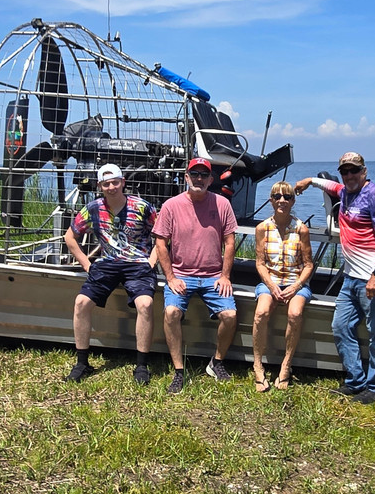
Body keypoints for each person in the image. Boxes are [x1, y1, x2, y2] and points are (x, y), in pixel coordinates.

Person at [294, 152, 375, 404]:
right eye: (345, 171)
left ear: (364, 171)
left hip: (371, 278)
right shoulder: (346, 192)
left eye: (354, 170)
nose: (349, 175)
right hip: (350, 278)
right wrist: (309, 181)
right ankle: (355, 380)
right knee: (340, 326)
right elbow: (332, 186)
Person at [63, 164, 158, 385]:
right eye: (106, 184)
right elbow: (70, 237)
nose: (112, 187)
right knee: (81, 303)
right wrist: (87, 265)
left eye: (115, 182)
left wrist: (151, 262)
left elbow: (163, 234)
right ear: (100, 186)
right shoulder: (92, 209)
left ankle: (141, 365)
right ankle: (82, 362)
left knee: (145, 305)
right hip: (107, 263)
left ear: (123, 182)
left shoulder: (142, 207)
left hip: (138, 263)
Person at [153, 157, 239, 394]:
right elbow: (160, 244)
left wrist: (225, 276)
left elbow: (230, 243)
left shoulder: (222, 204)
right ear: (186, 177)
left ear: (211, 180)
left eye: (204, 175)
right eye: (194, 174)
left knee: (230, 315)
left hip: (213, 276)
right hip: (181, 274)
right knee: (171, 313)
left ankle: (216, 362)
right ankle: (179, 371)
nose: (199, 179)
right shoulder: (171, 206)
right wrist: (171, 278)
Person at [251, 181, 314, 392]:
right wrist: (271, 285)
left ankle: (286, 365)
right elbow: (260, 263)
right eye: (277, 196)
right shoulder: (262, 228)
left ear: (293, 201)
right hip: (271, 281)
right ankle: (258, 365)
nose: (282, 201)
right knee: (261, 313)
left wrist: (296, 286)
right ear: (271, 200)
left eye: (287, 197)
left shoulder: (301, 229)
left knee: (295, 314)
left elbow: (309, 265)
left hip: (296, 282)